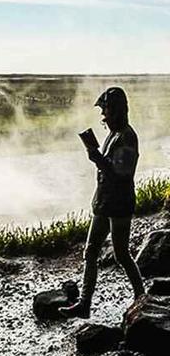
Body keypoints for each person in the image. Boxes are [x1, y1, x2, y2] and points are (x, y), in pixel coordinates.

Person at [61, 87, 145, 318]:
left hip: (118, 204)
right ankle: (85, 303)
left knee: (121, 254)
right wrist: (98, 156)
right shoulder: (115, 134)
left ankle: (141, 296)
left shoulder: (127, 136)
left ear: (115, 110)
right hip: (104, 202)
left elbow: (123, 173)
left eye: (106, 110)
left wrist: (97, 157)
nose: (103, 116)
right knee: (90, 251)